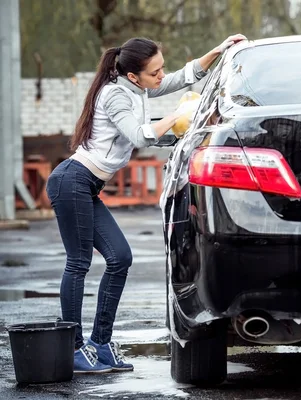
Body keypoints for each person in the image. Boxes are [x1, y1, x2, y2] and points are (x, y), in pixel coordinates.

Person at [45, 34, 247, 374]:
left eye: (160, 68)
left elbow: (184, 77)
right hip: (72, 181)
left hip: (86, 185)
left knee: (120, 258)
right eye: (155, 72)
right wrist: (180, 113)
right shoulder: (114, 96)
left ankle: (101, 343)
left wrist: (218, 50)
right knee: (78, 263)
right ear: (133, 76)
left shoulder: (138, 88)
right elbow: (140, 135)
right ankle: (73, 348)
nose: (160, 76)